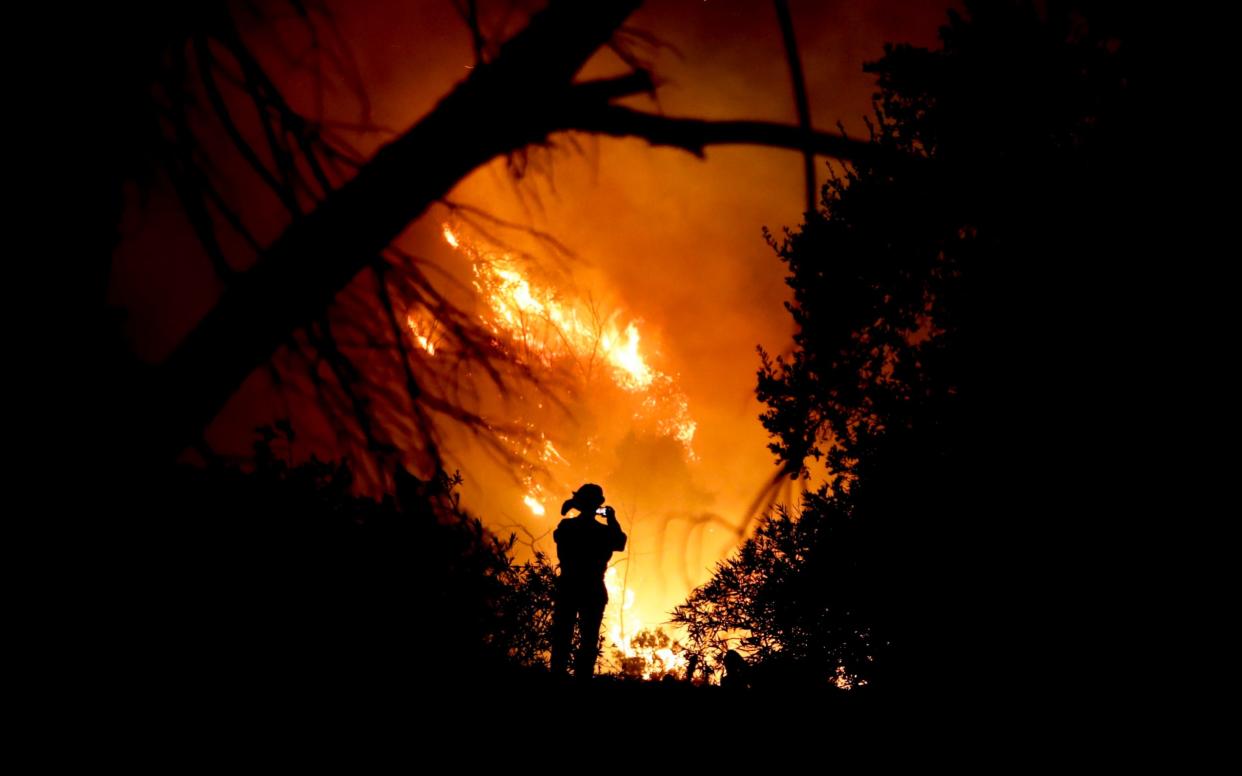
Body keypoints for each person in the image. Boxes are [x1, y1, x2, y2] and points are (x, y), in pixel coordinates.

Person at [550, 483, 627, 680]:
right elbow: (620, 542)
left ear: (579, 503)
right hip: (592, 589)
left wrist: (572, 505)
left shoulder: (566, 527)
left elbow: (559, 537)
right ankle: (582, 681)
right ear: (598, 505)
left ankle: (557, 678)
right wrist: (612, 519)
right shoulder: (604, 532)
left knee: (561, 639)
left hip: (568, 587)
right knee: (588, 641)